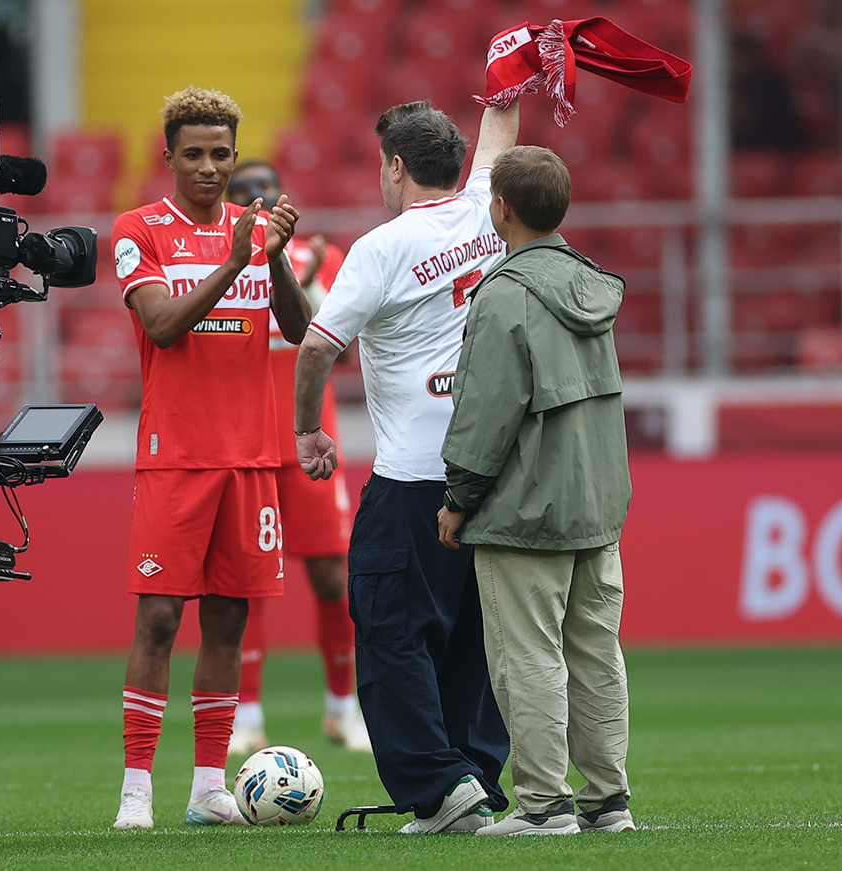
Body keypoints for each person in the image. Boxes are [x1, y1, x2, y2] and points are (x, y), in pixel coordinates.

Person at [293, 99, 518, 834]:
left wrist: (307, 431)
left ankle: (437, 784)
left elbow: (316, 345)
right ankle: (472, 778)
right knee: (470, 639)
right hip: (490, 473)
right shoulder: (489, 210)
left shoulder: (382, 247)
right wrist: (504, 94)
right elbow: (498, 146)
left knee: (392, 632)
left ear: (394, 167)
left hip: (413, 477)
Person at [110, 88, 310, 829]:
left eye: (219, 153)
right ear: (168, 156)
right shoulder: (140, 229)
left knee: (227, 622)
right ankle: (136, 789)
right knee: (159, 619)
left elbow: (296, 327)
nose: (207, 166)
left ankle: (207, 787)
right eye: (192, 153)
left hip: (252, 458)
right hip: (176, 457)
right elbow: (161, 326)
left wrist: (275, 257)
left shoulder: (255, 232)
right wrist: (232, 262)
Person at [437, 145, 634, 836]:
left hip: (524, 509)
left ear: (501, 209)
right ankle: (608, 801)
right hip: (596, 505)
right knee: (594, 654)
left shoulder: (504, 292)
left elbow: (486, 411)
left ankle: (543, 806)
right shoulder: (592, 285)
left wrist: (457, 496)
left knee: (528, 658)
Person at [224, 161, 369, 755]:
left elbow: (332, 338)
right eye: (243, 192)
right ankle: (247, 717)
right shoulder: (221, 259)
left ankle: (343, 708)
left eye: (265, 189)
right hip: (249, 440)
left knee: (333, 576)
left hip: (312, 438)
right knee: (249, 583)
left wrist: (295, 269)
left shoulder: (324, 255)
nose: (256, 199)